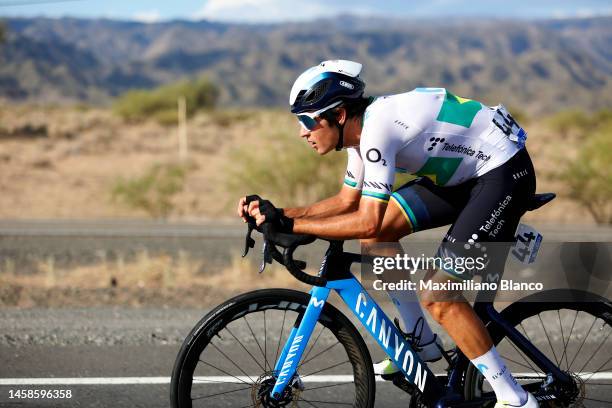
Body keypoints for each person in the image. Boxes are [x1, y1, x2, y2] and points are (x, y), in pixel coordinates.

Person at [237, 60, 539, 408]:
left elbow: (365, 219)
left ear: (337, 115)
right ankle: (419, 341)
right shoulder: (357, 135)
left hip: (502, 172)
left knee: (438, 295)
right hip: (465, 175)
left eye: (308, 120)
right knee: (378, 238)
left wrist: (292, 226)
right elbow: (347, 201)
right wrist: (278, 213)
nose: (302, 132)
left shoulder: (378, 131)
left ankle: (514, 398)